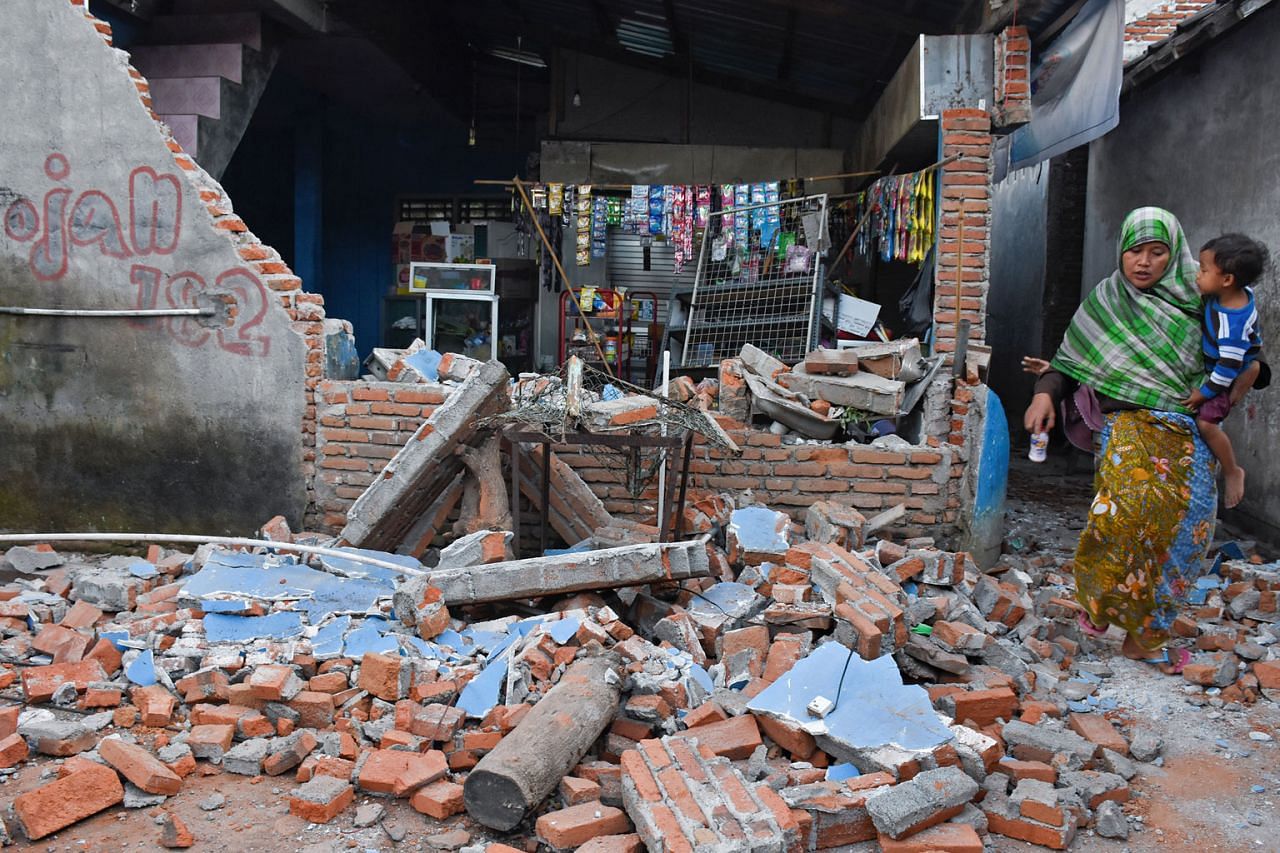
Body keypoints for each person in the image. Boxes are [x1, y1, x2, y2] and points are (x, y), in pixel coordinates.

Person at [1021, 207, 1252, 674]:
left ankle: (1146, 637)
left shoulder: (1202, 293)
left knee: (1187, 537)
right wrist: (1044, 394)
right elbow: (1073, 362)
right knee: (1122, 517)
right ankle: (1102, 606)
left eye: (1156, 252)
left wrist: (1239, 383)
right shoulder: (1107, 300)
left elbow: (1250, 352)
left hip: (1189, 429)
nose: (1143, 262)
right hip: (1127, 423)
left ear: (1175, 253)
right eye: (1134, 251)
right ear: (1121, 252)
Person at [1179, 234, 1268, 509]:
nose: (1197, 275)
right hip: (1238, 358)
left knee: (1206, 423)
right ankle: (1251, 367)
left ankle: (1232, 470)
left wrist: (1203, 394)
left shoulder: (1230, 326)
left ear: (1227, 280)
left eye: (1204, 270)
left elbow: (1226, 369)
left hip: (1226, 371)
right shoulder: (1235, 294)